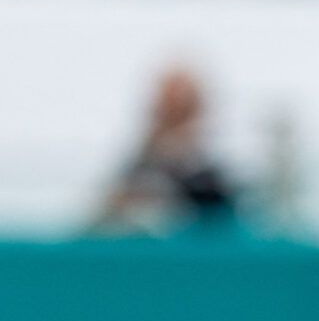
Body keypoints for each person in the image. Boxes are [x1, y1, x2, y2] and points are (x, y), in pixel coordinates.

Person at [93, 66, 237, 234]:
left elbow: (223, 216)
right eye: (170, 101)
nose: (176, 107)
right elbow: (111, 210)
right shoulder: (140, 162)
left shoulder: (213, 165)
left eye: (183, 101)